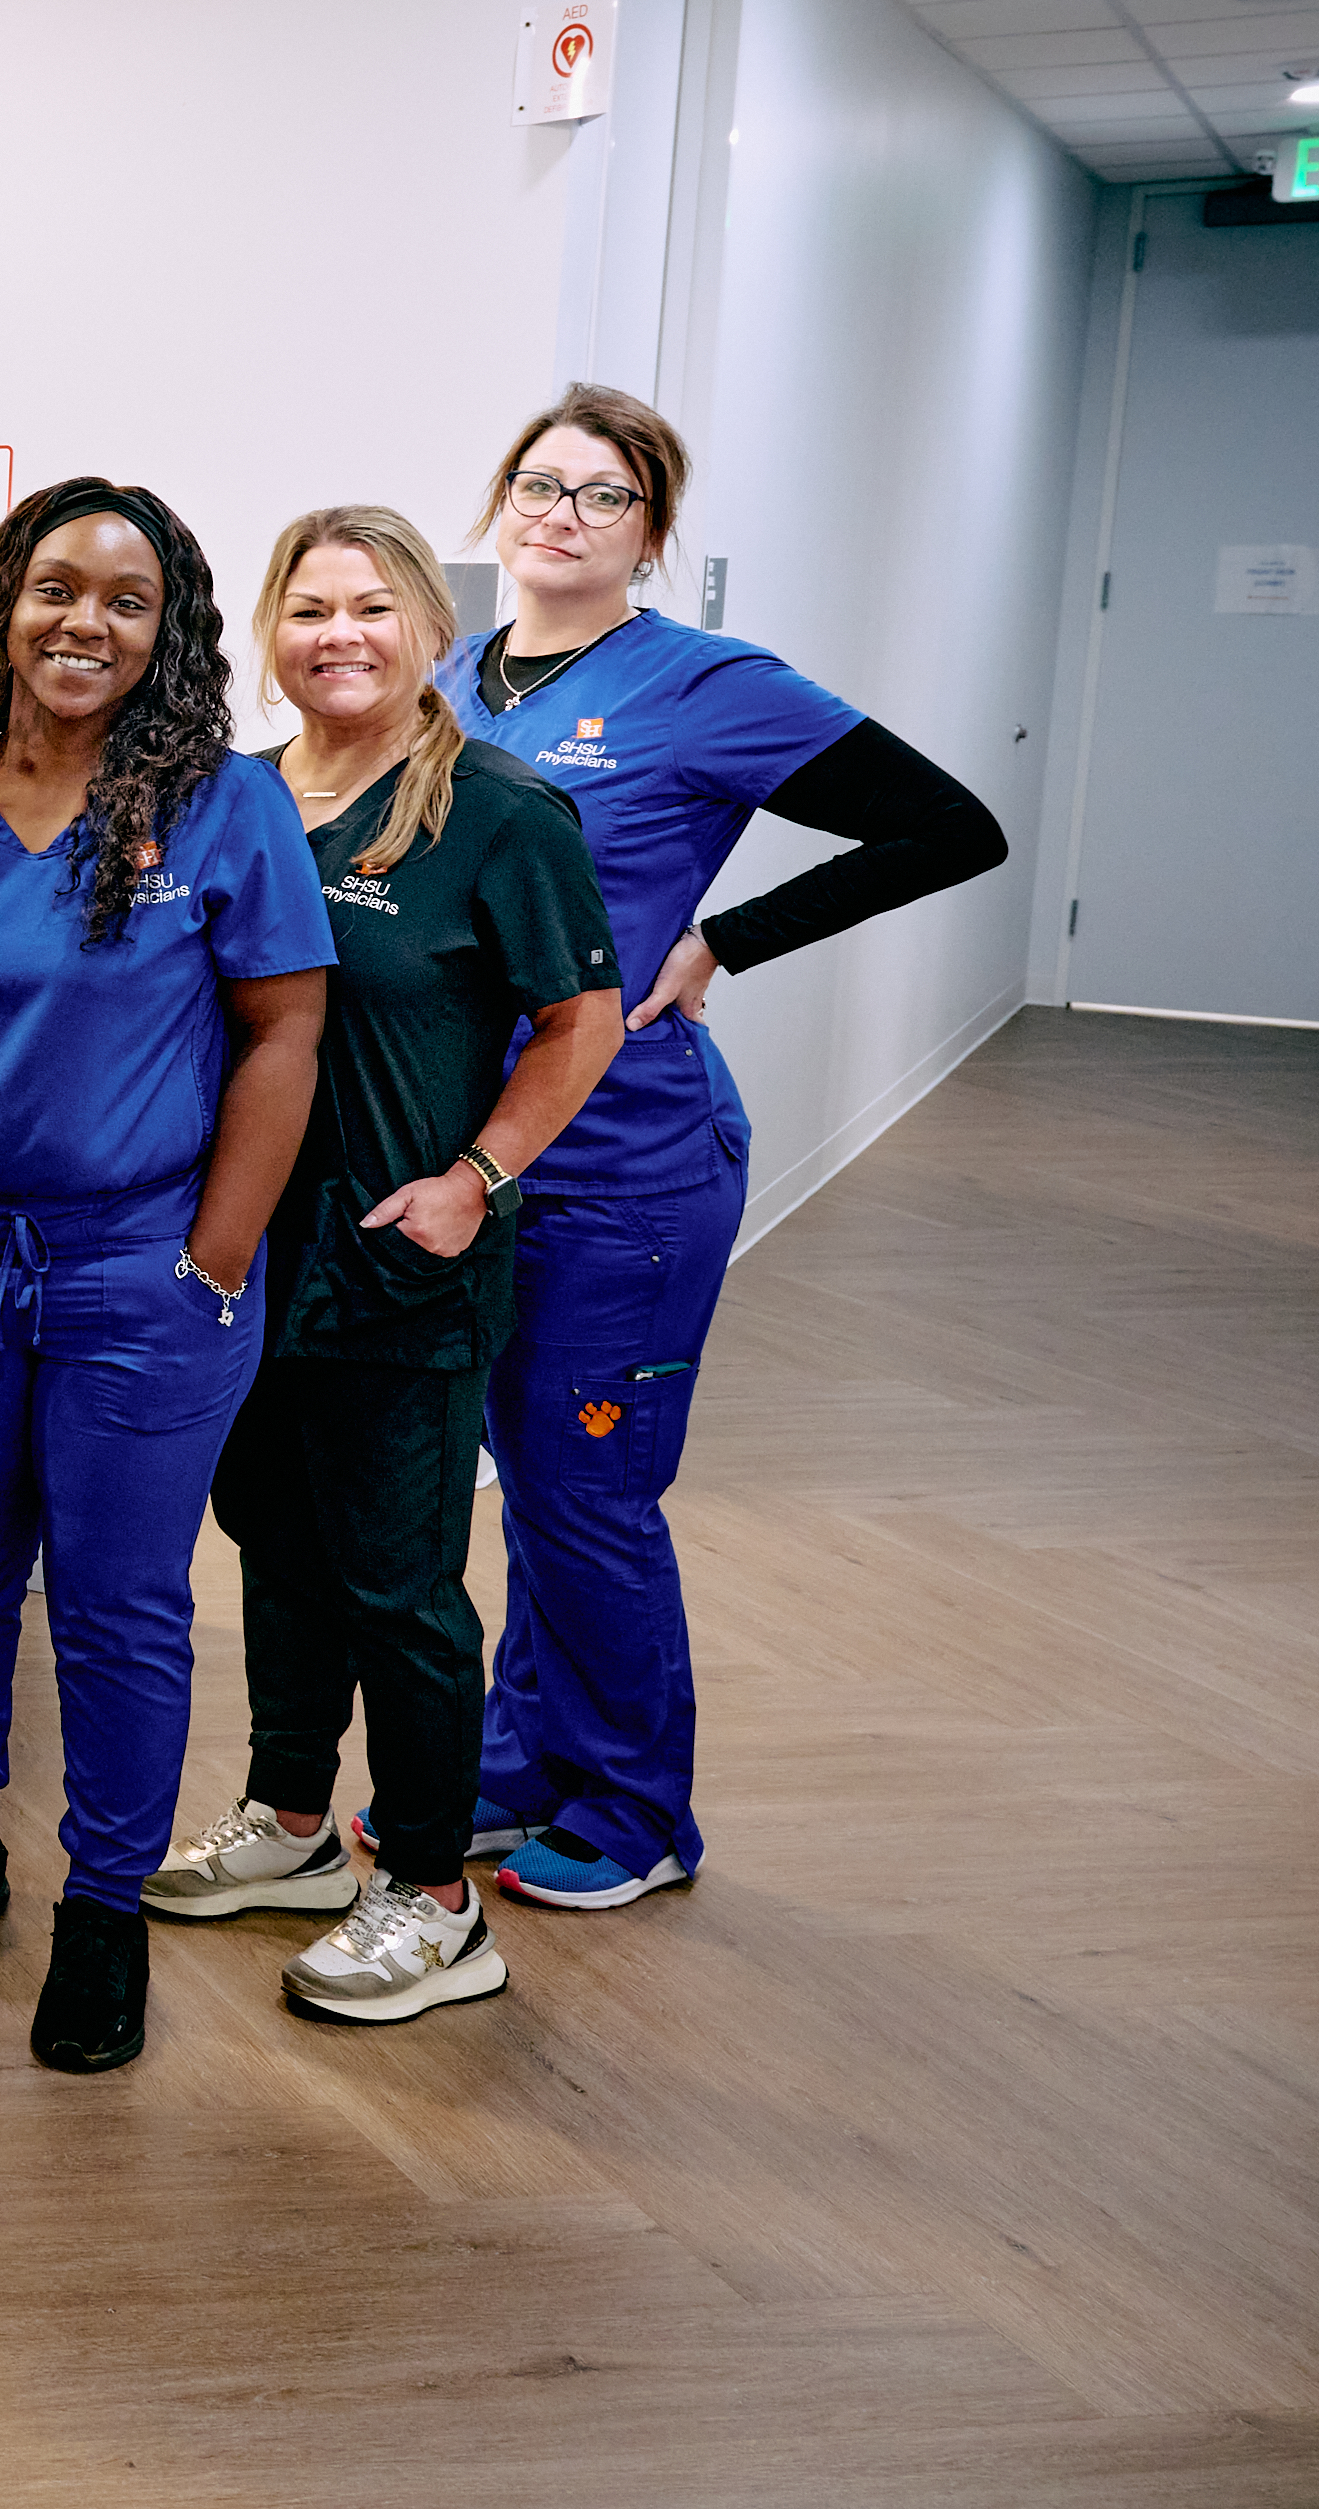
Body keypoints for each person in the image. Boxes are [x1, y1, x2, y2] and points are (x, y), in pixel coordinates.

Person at [440, 387, 1006, 1912]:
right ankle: (517, 1761)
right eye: (539, 483)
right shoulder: (451, 675)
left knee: (586, 1492)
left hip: (625, 1165)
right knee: (524, 1478)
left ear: (653, 532)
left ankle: (634, 1808)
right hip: (479, 1160)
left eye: (604, 496)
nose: (561, 512)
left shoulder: (704, 686)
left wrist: (724, 941)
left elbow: (949, 828)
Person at [0, 478, 330, 2074]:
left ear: (168, 631)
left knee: (122, 1607)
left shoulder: (220, 805)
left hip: (143, 1270)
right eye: (57, 588)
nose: (86, 623)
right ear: (5, 603)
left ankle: (104, 1905)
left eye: (128, 600)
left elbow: (284, 1032)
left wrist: (215, 1262)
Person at [144, 506, 620, 2023]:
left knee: (400, 1587)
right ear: (267, 635)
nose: (335, 634)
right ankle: (291, 1823)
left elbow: (581, 1023)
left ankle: (431, 1890)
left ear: (428, 626)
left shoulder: (498, 811)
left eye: (369, 606)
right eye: (306, 608)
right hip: (241, 1250)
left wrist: (474, 1183)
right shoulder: (228, 797)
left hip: (395, 1256)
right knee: (276, 1546)